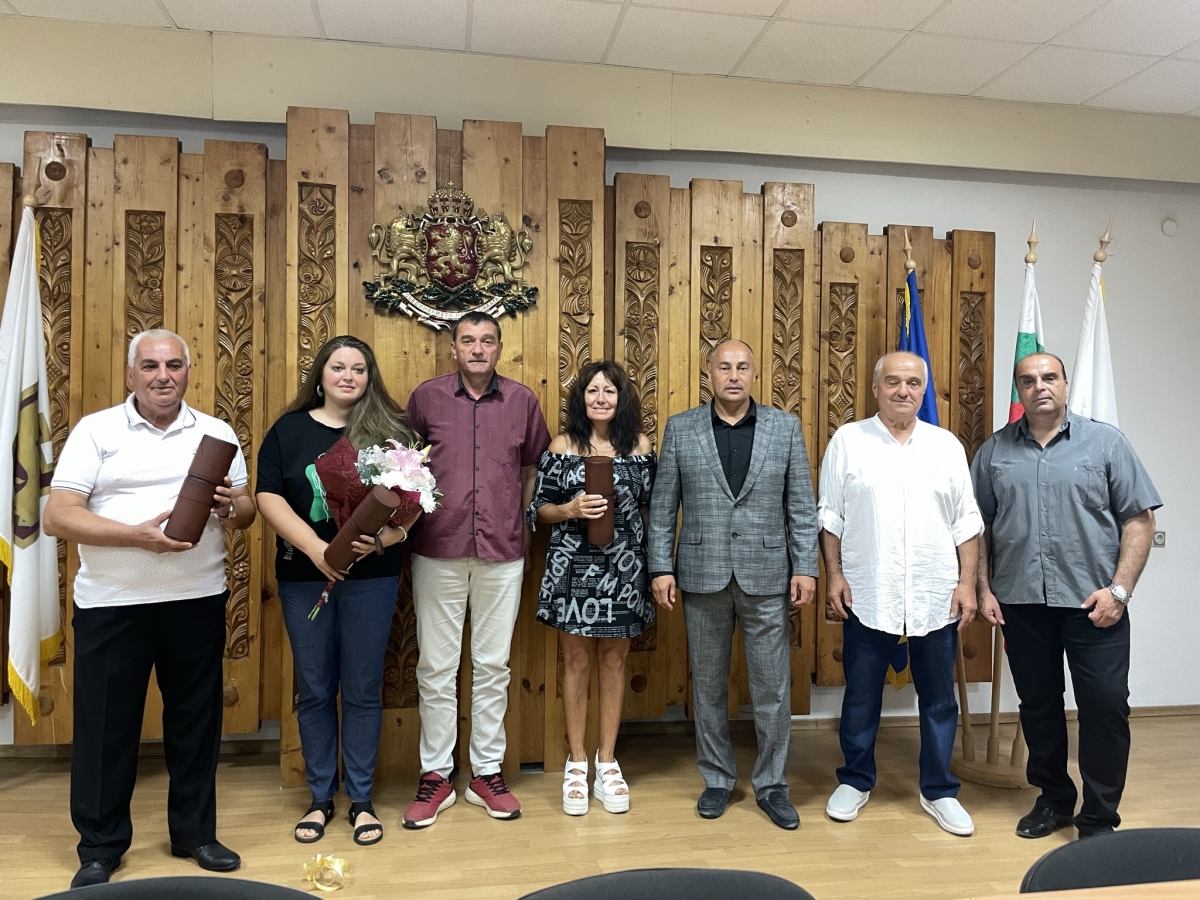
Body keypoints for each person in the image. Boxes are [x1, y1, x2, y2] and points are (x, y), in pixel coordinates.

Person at [43, 329, 256, 889]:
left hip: (196, 599)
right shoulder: (96, 431)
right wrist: (136, 536)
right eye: (151, 365)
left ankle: (195, 835)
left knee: (196, 723)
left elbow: (245, 510)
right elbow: (58, 516)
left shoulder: (216, 432)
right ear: (131, 373)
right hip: (113, 606)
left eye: (174, 365)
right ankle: (100, 847)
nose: (164, 375)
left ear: (188, 371)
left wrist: (232, 506)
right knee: (105, 729)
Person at [972, 352, 1160, 839]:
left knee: (1105, 707)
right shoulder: (994, 452)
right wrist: (983, 588)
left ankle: (1098, 818)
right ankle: (1054, 799)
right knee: (1038, 705)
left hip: (1094, 605)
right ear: (1019, 390)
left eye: (1049, 377)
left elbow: (1139, 519)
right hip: (1020, 603)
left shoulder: (1106, 443)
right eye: (1028, 380)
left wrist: (1120, 591)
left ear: (1065, 383)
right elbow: (979, 527)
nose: (1040, 386)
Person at [256, 335, 422, 847]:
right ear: (321, 375)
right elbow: (267, 495)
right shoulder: (288, 430)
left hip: (372, 580)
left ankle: (362, 800)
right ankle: (320, 797)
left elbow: (416, 500)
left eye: (358, 369)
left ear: (370, 377)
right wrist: (316, 550)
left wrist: (388, 537)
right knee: (314, 690)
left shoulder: (392, 433)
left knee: (363, 690)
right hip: (304, 578)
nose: (348, 376)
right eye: (338, 367)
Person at [648, 338, 818, 830]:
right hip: (702, 575)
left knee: (772, 688)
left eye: (743, 367)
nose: (734, 375)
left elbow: (801, 507)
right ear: (710, 373)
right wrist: (660, 567)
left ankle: (772, 785)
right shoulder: (681, 428)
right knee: (707, 686)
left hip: (767, 575)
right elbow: (662, 508)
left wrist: (806, 567)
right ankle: (718, 779)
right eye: (724, 367)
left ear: (755, 374)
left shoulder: (785, 428)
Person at [818, 352, 982, 837]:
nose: (903, 391)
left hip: (936, 594)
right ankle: (855, 780)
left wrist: (967, 583)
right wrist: (834, 574)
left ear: (923, 390)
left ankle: (939, 790)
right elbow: (830, 517)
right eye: (893, 382)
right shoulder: (848, 441)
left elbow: (966, 522)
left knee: (939, 700)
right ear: (876, 388)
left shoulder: (946, 446)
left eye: (913, 383)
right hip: (870, 592)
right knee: (861, 696)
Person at [402, 311, 551, 827]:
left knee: (493, 667)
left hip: (503, 550)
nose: (478, 349)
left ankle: (486, 773)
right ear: (454, 348)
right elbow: (406, 468)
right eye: (468, 340)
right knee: (435, 668)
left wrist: (520, 523)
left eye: (487, 340)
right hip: (436, 547)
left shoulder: (522, 401)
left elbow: (531, 469)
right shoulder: (426, 399)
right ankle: (437, 776)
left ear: (499, 347)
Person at [529, 360, 656, 816]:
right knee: (577, 660)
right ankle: (576, 761)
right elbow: (538, 509)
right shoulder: (562, 445)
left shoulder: (640, 446)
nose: (601, 398)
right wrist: (571, 509)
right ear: (581, 398)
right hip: (572, 569)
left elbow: (653, 509)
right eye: (592, 391)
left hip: (624, 570)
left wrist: (654, 566)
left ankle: (607, 761)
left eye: (609, 391)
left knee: (615, 660)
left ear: (622, 398)